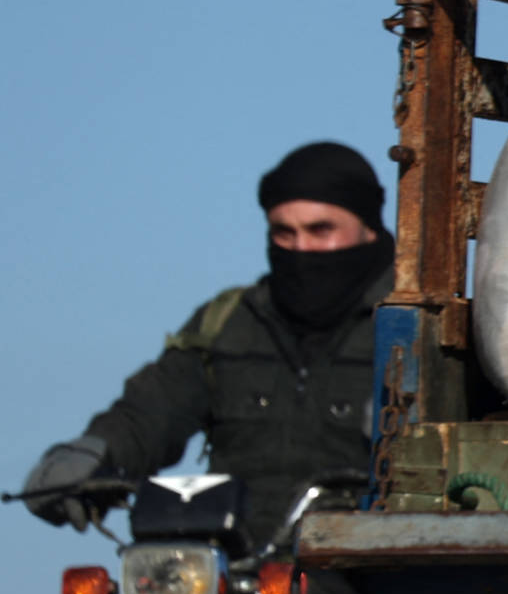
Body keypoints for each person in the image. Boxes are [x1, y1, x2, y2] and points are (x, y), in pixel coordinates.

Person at [20, 142, 392, 545]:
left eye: (321, 230)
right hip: (234, 568)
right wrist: (93, 454)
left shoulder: (409, 324)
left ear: (368, 228)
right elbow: (152, 412)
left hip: (362, 569)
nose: (301, 249)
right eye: (284, 233)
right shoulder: (228, 322)